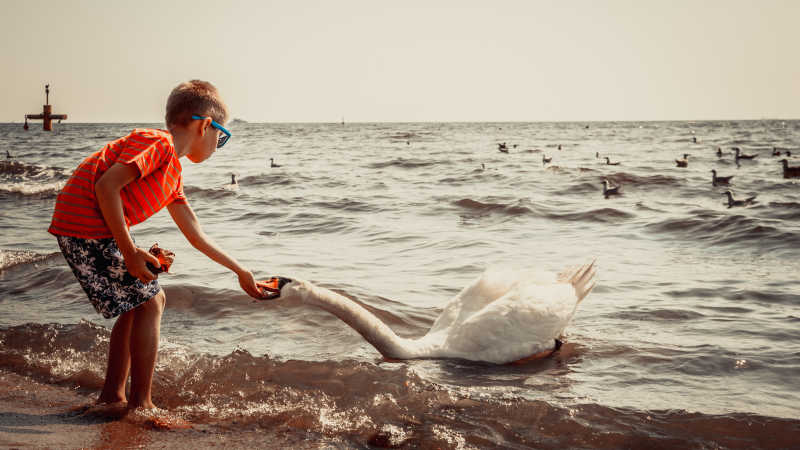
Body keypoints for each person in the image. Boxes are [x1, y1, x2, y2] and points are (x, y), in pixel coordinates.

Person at [48, 80, 268, 411]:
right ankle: (142, 405)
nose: (217, 146)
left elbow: (195, 234)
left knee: (138, 303)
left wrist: (240, 271)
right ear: (205, 125)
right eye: (220, 137)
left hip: (91, 228)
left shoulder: (172, 177)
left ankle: (113, 396)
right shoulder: (158, 144)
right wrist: (129, 252)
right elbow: (106, 187)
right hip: (84, 226)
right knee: (153, 301)